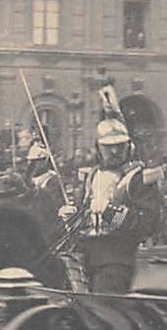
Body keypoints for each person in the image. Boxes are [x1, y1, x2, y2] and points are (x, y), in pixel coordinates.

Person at [59, 117, 160, 293]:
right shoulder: (91, 175)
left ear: (129, 146)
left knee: (103, 295)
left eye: (120, 145)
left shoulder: (140, 178)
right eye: (108, 146)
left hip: (118, 256)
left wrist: (110, 211)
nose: (114, 151)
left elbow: (147, 224)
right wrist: (71, 216)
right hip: (84, 252)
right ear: (98, 148)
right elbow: (85, 215)